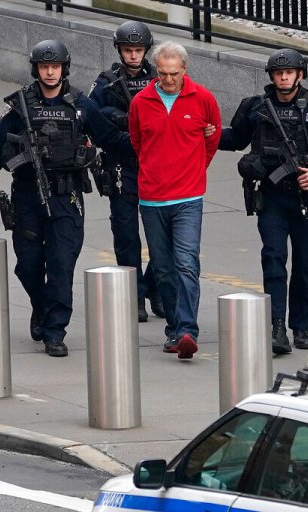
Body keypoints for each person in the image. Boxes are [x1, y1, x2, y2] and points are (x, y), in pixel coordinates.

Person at [0, 40, 132, 358]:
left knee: (61, 265)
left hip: (67, 196)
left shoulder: (79, 105)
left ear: (64, 68)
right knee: (29, 265)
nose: (50, 72)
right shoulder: (20, 106)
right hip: (27, 196)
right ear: (36, 69)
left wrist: (148, 138)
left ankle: (54, 330)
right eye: (45, 67)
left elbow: (110, 138)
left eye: (55, 67)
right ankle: (42, 307)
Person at [218, 48, 308, 353]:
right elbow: (234, 139)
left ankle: (302, 327)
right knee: (273, 259)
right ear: (271, 76)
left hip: (307, 198)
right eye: (278, 73)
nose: (283, 77)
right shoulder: (256, 108)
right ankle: (276, 325)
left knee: (306, 264)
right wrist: (205, 132)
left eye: (289, 73)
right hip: (272, 198)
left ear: (300, 74)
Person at [129, 41, 221, 360]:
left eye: (174, 73)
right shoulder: (141, 102)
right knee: (164, 269)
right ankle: (173, 328)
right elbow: (138, 144)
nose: (168, 79)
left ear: (185, 69)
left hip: (188, 198)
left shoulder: (203, 99)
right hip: (152, 199)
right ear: (157, 70)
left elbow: (212, 140)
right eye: (163, 73)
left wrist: (193, 168)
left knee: (186, 262)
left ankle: (186, 331)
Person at [88, 20, 164, 323]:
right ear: (119, 50)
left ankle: (154, 286)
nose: (133, 55)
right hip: (122, 166)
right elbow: (91, 116)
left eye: (138, 50)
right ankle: (134, 295)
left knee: (163, 236)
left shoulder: (160, 77)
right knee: (126, 236)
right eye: (128, 50)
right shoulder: (106, 81)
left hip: (157, 167)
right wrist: (118, 118)